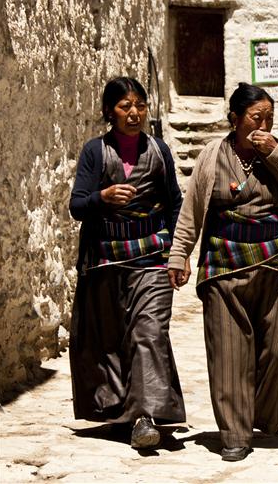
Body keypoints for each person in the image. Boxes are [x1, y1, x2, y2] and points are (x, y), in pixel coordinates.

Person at [167, 83, 278, 462]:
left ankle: (266, 412)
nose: (263, 126)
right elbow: (192, 209)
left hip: (274, 260)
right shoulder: (212, 155)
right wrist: (180, 254)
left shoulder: (276, 153)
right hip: (223, 263)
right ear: (235, 119)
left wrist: (277, 154)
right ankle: (235, 434)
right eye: (255, 118)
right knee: (229, 353)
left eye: (269, 119)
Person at [69, 77, 187, 450]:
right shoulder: (95, 152)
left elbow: (175, 203)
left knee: (148, 333)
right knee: (110, 340)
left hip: (152, 258)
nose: (134, 113)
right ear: (110, 111)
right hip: (105, 260)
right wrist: (101, 197)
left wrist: (179, 253)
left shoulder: (159, 151)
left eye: (140, 105)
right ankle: (121, 412)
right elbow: (77, 205)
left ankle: (145, 418)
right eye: (125, 106)